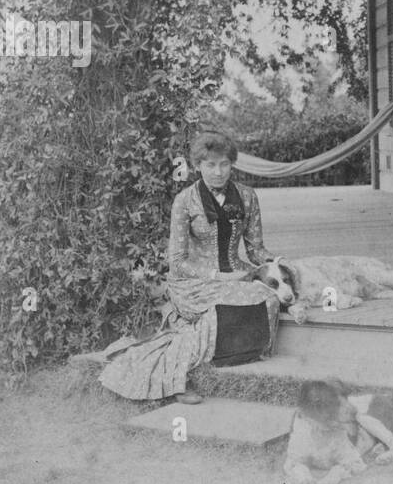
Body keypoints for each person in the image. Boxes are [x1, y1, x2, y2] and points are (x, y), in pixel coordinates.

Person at [99, 130, 281, 402]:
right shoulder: (185, 201)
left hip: (236, 276)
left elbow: (255, 249)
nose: (218, 172)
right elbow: (177, 262)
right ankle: (176, 375)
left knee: (267, 297)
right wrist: (217, 276)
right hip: (192, 283)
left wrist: (275, 263)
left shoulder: (247, 196)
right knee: (224, 307)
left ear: (232, 164)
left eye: (224, 164)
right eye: (210, 165)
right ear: (197, 166)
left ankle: (232, 355)